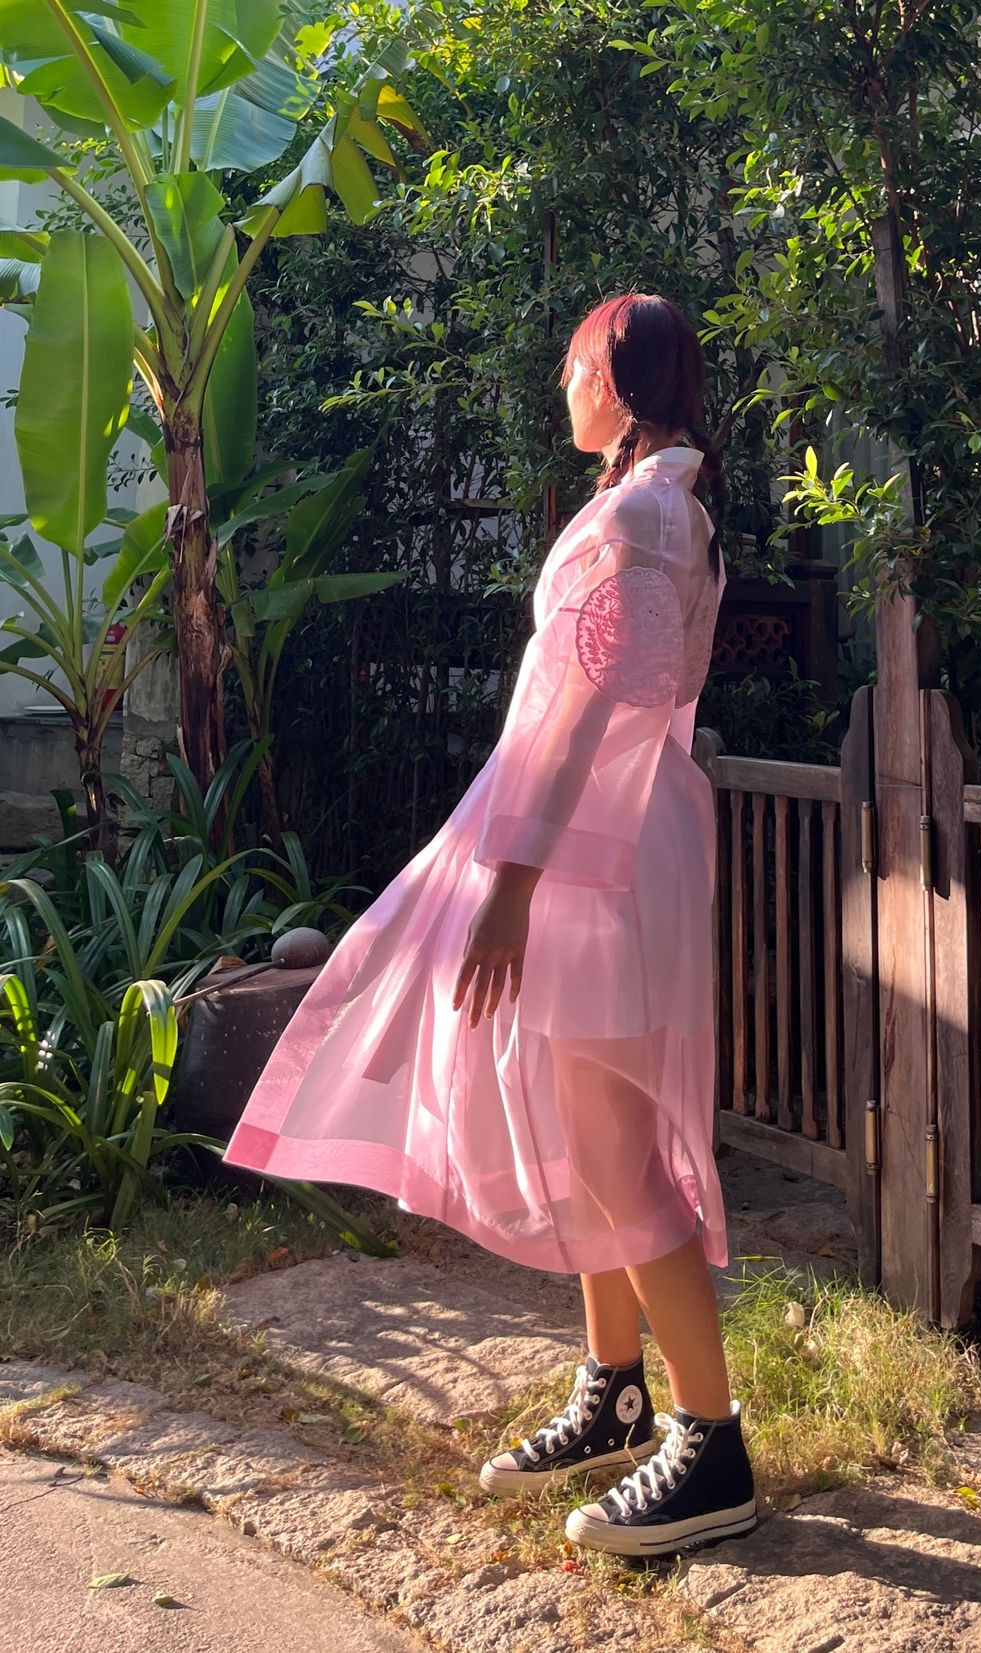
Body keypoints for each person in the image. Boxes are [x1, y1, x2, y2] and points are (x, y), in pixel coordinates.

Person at [221, 292, 756, 1558]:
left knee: (617, 1154)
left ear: (613, 379)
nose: (562, 387)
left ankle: (712, 1444)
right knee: (587, 1138)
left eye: (573, 366)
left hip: (592, 856)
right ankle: (614, 1391)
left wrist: (512, 879)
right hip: (596, 844)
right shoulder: (652, 503)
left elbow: (587, 714)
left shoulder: (644, 513)